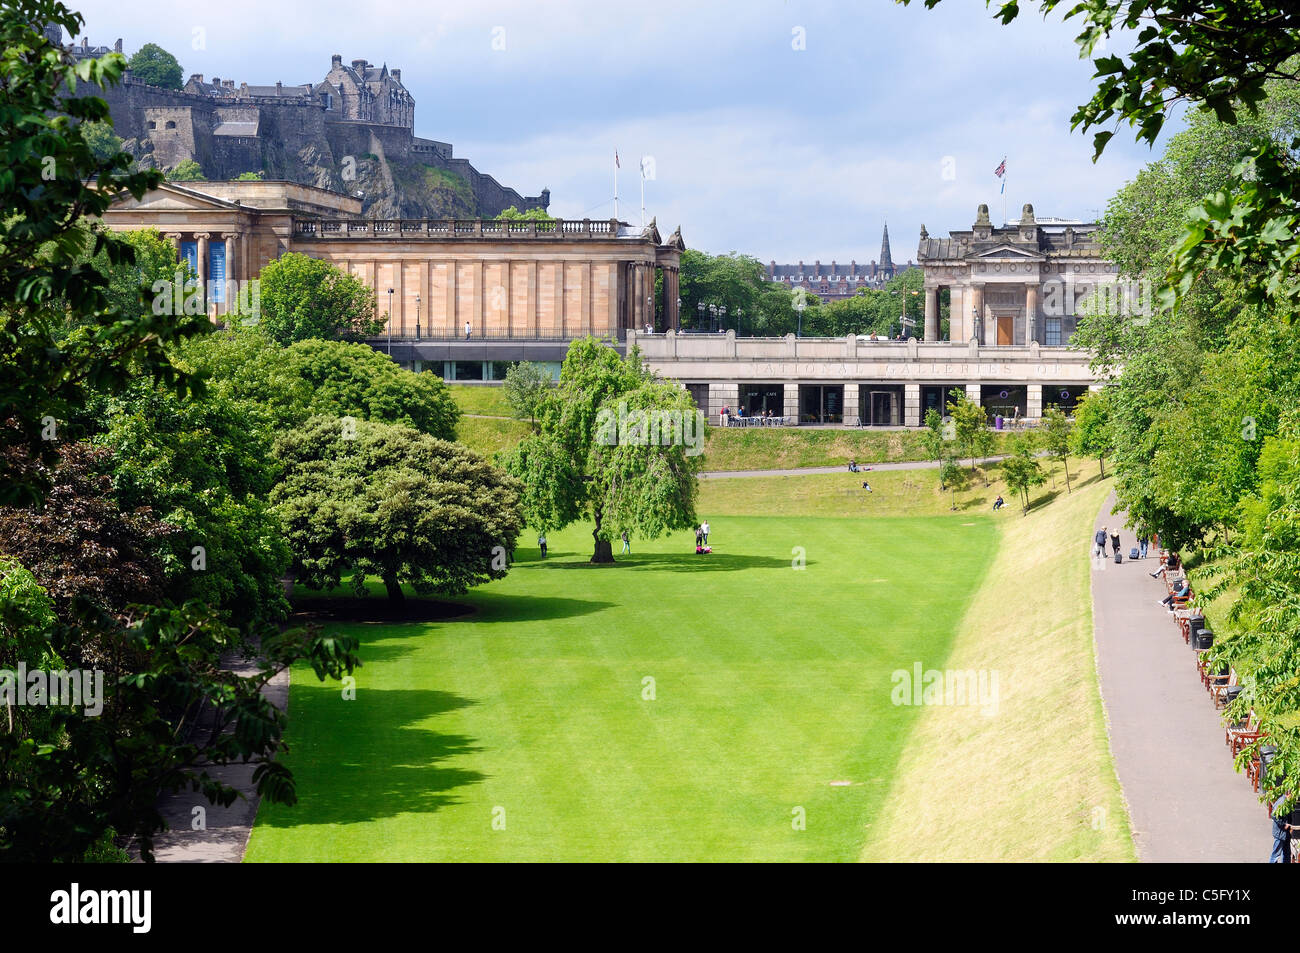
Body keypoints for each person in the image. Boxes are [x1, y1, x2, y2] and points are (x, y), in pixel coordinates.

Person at [1270, 794, 1293, 863]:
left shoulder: (1287, 801)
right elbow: (1273, 815)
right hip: (1280, 833)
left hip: (1285, 833)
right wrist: (1284, 825)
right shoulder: (1282, 802)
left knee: (1287, 853)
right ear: (1288, 793)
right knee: (1276, 855)